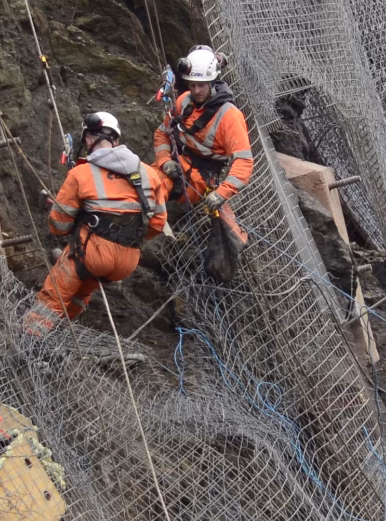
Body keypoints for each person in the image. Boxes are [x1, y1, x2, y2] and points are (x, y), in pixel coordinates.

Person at [23, 111, 167, 337]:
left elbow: (58, 227)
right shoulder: (149, 174)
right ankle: (59, 333)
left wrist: (79, 219)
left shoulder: (81, 174)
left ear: (89, 139)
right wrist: (125, 236)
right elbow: (157, 224)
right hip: (128, 261)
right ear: (116, 140)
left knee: (55, 295)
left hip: (93, 254)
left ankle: (30, 340)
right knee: (81, 291)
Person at [151, 45, 255, 274]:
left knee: (152, 188)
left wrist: (222, 193)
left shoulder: (229, 116)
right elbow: (162, 133)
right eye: (191, 84)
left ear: (212, 82)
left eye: (201, 85)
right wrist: (164, 160)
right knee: (144, 181)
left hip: (199, 178)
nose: (196, 90)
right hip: (176, 165)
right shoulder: (185, 101)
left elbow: (244, 162)